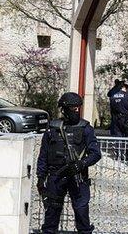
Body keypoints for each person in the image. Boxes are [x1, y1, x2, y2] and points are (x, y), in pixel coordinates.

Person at [37, 92, 102, 234]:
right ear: (64, 109)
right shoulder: (52, 128)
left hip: (77, 177)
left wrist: (81, 164)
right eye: (73, 108)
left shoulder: (86, 128)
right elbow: (43, 155)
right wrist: (40, 178)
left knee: (81, 213)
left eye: (78, 108)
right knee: (51, 215)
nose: (76, 111)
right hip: (56, 176)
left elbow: (96, 154)